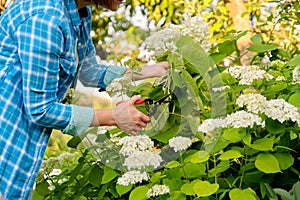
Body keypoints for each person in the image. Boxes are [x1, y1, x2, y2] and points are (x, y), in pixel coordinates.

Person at [0, 0, 169, 199]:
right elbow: (40, 110)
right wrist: (114, 116)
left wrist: (147, 72)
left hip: (17, 152)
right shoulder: (46, 18)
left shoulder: (78, 12)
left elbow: (87, 70)